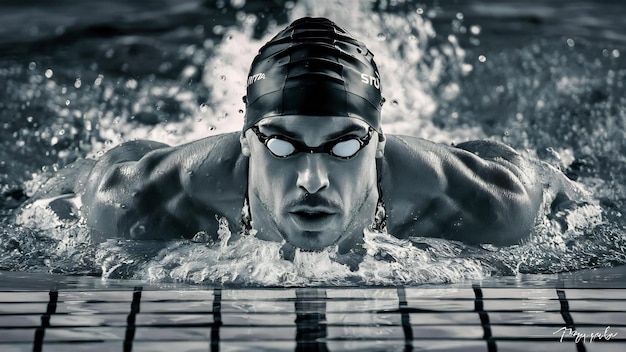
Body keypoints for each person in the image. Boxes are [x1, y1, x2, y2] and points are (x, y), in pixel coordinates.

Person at [26, 17, 581, 260]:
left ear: (378, 145)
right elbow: (92, 178)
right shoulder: (148, 199)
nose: (313, 178)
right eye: (283, 145)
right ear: (246, 141)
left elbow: (539, 183)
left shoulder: (480, 204)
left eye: (343, 145)